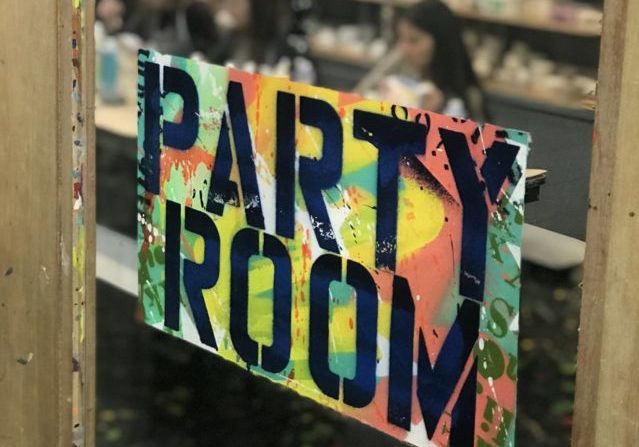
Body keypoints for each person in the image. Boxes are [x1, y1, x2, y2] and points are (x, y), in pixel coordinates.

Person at [392, 0, 486, 120]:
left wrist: (429, 116)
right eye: (400, 38)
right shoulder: (401, 71)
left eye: (413, 41)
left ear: (440, 42)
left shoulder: (467, 98)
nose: (403, 48)